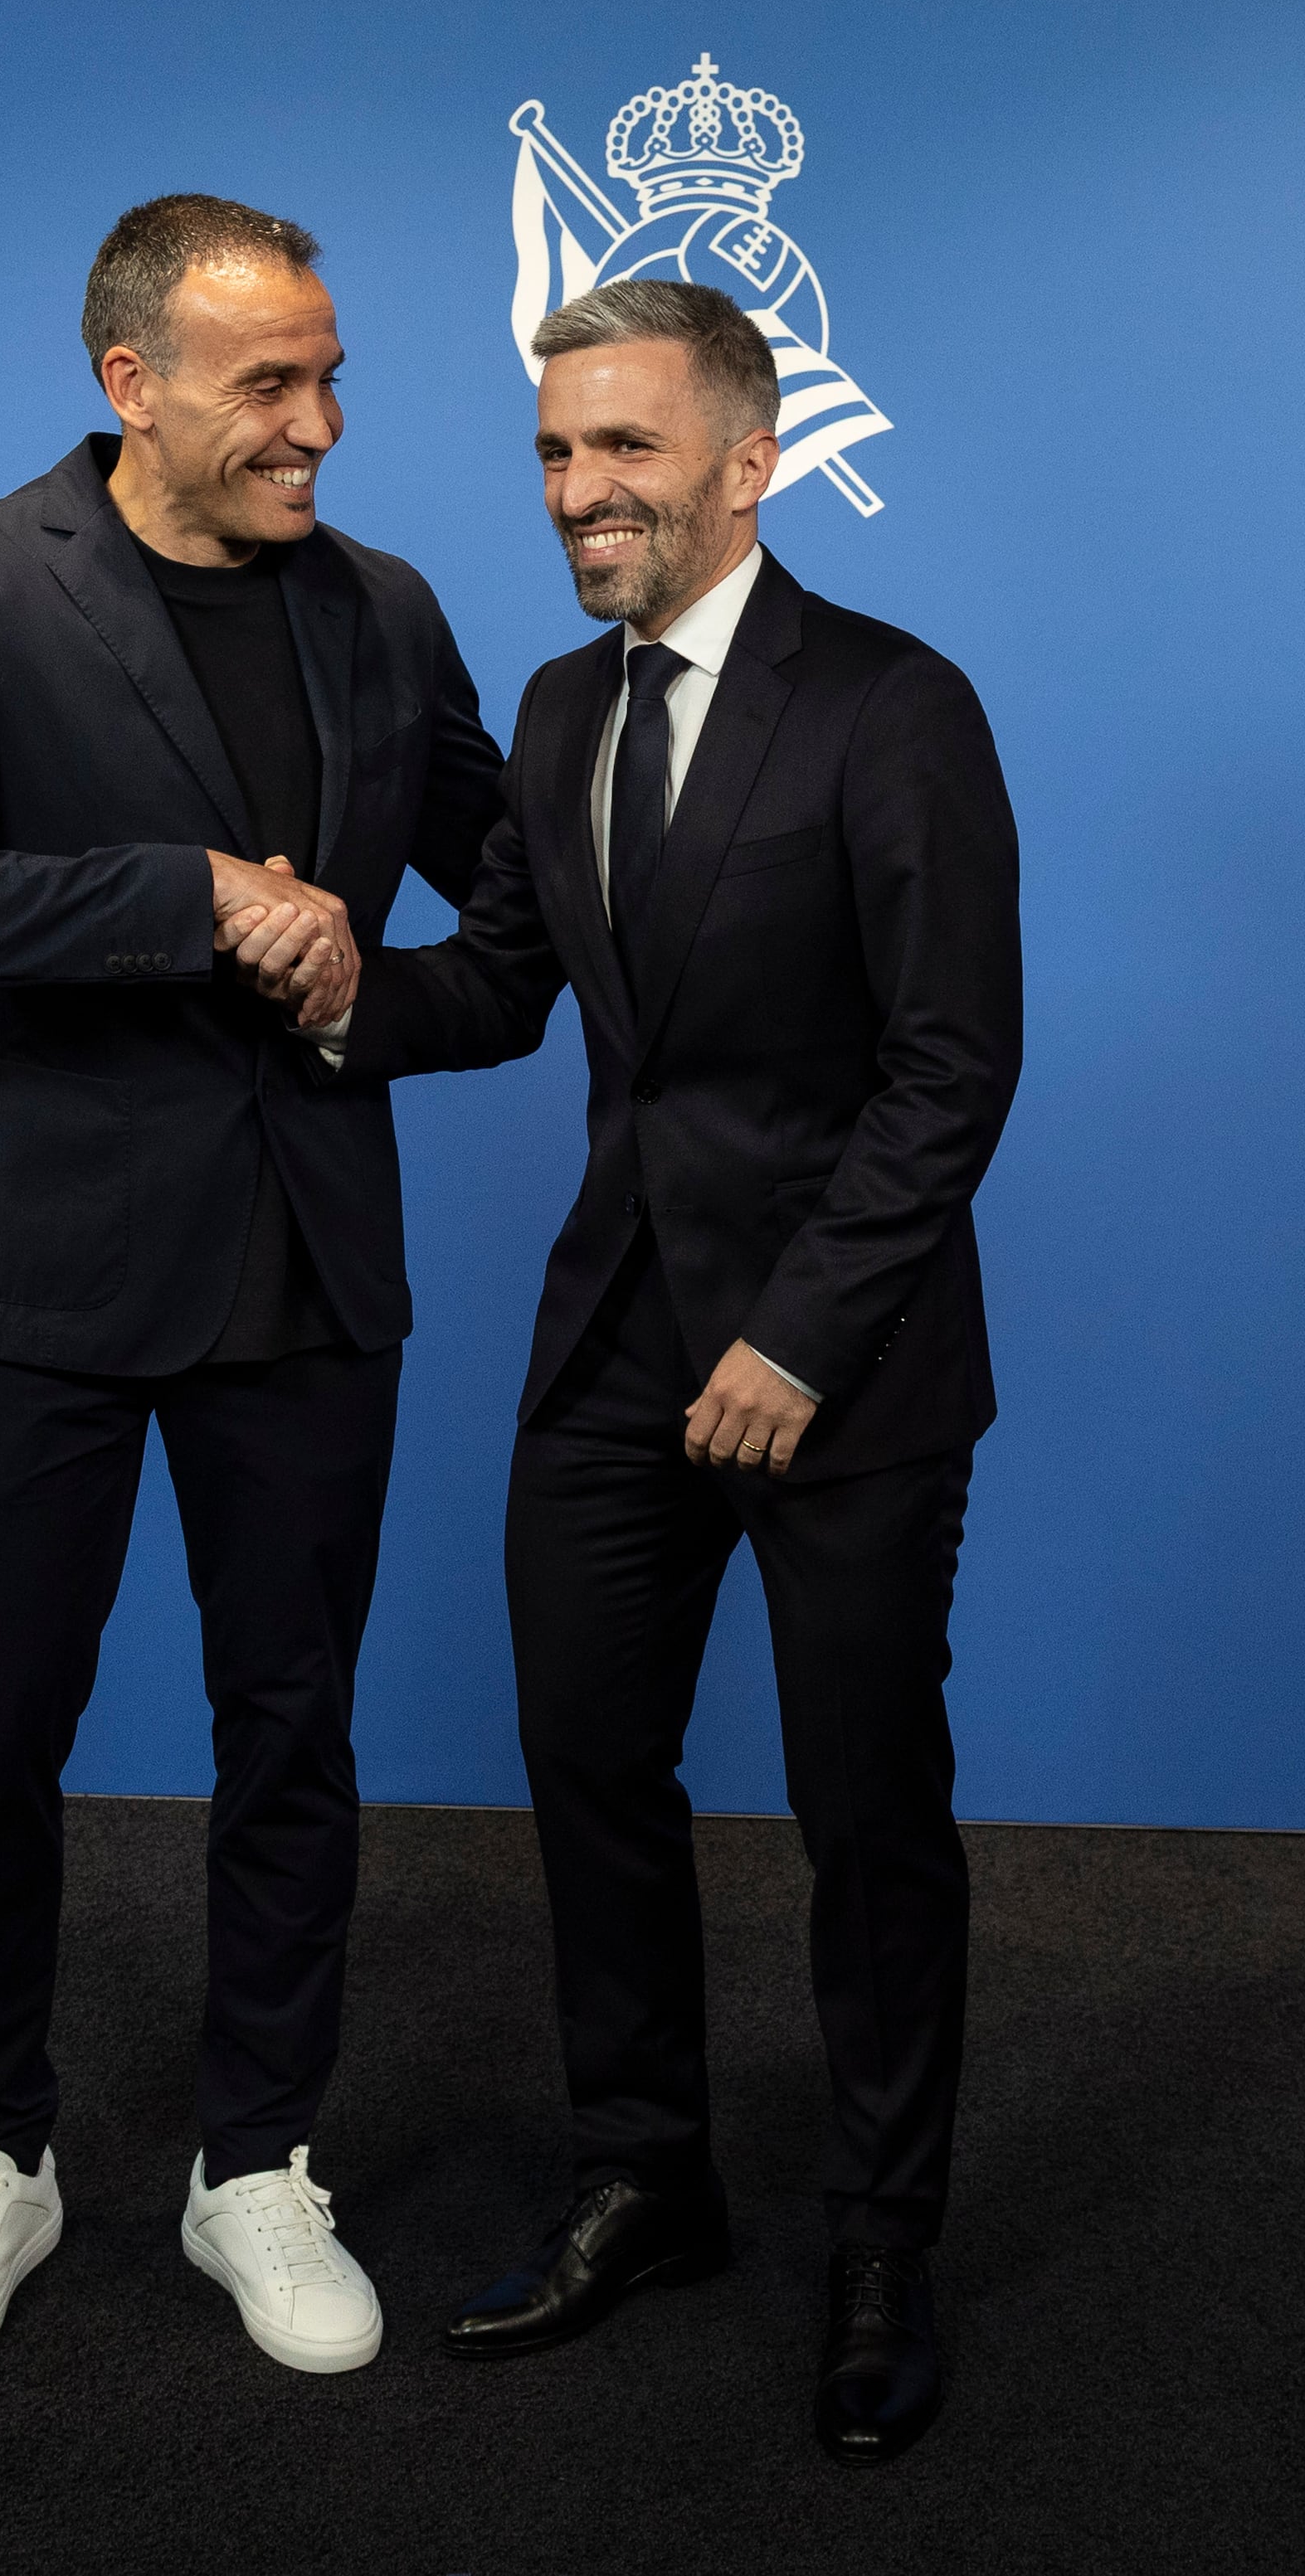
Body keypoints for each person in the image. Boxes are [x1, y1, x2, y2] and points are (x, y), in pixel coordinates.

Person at [0, 194, 504, 2385]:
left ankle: (257, 2161)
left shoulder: (385, 613)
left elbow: (521, 917)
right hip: (37, 1275)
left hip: (307, 1274)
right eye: (269, 386)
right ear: (133, 385)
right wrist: (190, 894)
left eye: (331, 377)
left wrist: (355, 1000)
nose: (319, 424)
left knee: (293, 1730)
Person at [328, 278, 1020, 2463]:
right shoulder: (552, 710)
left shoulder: (897, 707)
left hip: (842, 1368)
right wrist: (337, 983)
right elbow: (516, 986)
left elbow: (951, 1067)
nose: (575, 492)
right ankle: (652, 2177)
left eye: (620, 449)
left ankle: (885, 2240)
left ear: (747, 458)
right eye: (552, 453)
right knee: (592, 1774)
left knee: (864, 1814)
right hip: (616, 1343)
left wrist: (800, 1337)